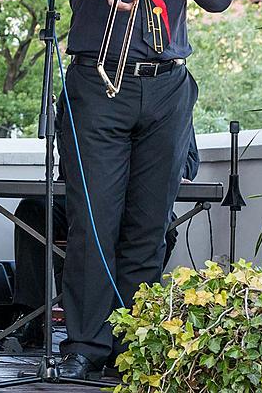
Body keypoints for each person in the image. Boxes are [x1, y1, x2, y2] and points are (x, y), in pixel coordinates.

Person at [55, 0, 233, 379]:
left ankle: (137, 341)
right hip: (100, 85)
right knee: (93, 222)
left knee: (149, 224)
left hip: (167, 89)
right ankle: (87, 344)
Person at [11, 126, 199, 348]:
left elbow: (189, 158)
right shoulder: (87, 97)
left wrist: (176, 171)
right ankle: (30, 316)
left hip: (138, 199)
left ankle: (132, 316)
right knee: (31, 210)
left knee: (165, 229)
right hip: (81, 196)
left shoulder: (166, 99)